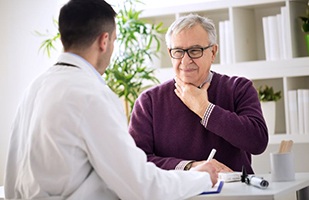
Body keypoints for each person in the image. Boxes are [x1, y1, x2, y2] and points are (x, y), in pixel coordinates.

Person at [4, 2, 219, 200]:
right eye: (115, 40)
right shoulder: (91, 95)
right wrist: (200, 177)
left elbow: (12, 178)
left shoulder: (35, 87)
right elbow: (142, 187)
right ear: (104, 41)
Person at [129, 14, 269, 174]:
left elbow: (258, 142)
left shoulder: (238, 88)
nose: (186, 60)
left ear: (213, 52)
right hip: (177, 196)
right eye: (178, 51)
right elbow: (137, 161)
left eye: (195, 51)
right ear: (170, 53)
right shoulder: (149, 101)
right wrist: (190, 166)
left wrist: (205, 109)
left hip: (233, 194)